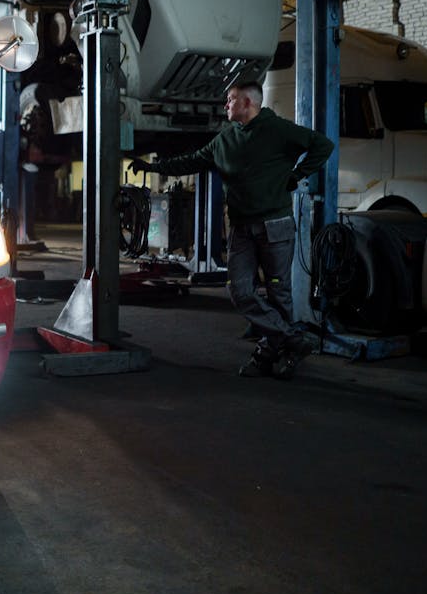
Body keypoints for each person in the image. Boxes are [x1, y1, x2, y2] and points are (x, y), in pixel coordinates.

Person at [132, 81, 334, 379]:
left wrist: (296, 176)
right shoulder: (225, 139)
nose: (226, 104)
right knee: (240, 291)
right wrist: (153, 168)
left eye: (231, 99)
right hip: (242, 227)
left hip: (274, 227)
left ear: (249, 102)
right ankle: (292, 341)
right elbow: (191, 161)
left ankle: (267, 355)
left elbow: (323, 146)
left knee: (279, 293)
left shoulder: (279, 130)